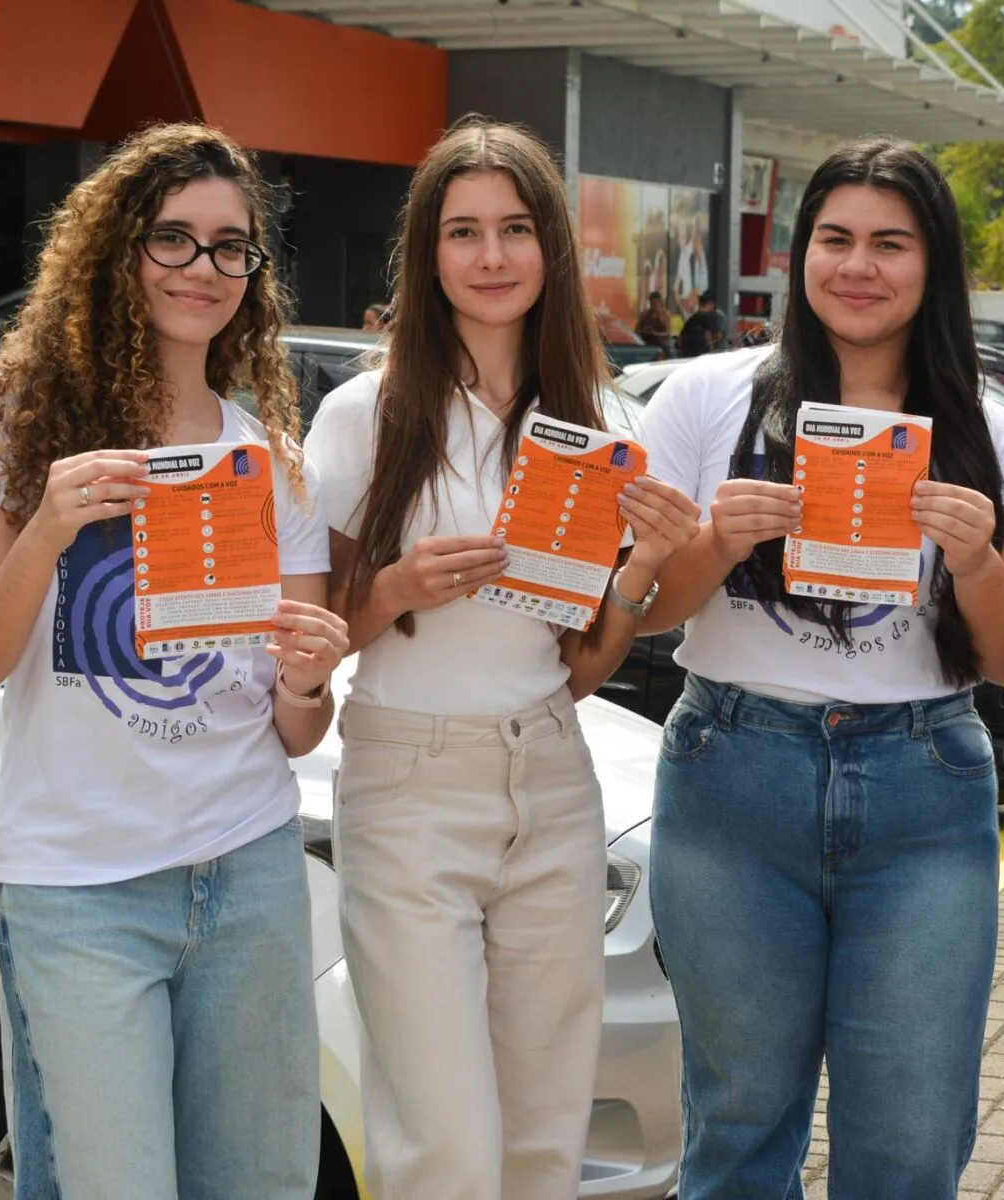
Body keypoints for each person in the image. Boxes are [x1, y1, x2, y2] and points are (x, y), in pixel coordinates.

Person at [0, 123, 345, 1199]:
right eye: (174, 239)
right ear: (118, 248)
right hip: (80, 891)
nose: (202, 269)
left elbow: (298, 728)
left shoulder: (272, 463)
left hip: (248, 875)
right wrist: (50, 527)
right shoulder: (7, 421)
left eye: (229, 248)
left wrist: (310, 677)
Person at [636, 137, 1004, 1198]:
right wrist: (717, 543)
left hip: (925, 786)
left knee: (909, 1142)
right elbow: (642, 615)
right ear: (799, 254)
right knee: (738, 1123)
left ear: (934, 266)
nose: (857, 266)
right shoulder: (705, 399)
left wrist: (977, 556)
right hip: (735, 771)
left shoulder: (996, 438)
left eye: (889, 244)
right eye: (835, 239)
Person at [303, 116, 700, 1200]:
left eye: (515, 229)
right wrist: (398, 586)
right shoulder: (363, 415)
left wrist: (642, 568)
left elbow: (578, 664)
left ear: (550, 248)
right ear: (428, 255)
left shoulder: (598, 421)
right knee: (447, 1148)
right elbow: (314, 620)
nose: (490, 257)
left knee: (539, 1144)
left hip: (550, 773)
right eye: (463, 231)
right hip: (409, 782)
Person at [677, 291, 726, 358]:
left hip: (687, 353)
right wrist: (712, 351)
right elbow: (708, 334)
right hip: (702, 352)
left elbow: (680, 339)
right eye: (713, 305)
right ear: (710, 303)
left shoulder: (692, 319)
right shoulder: (711, 316)